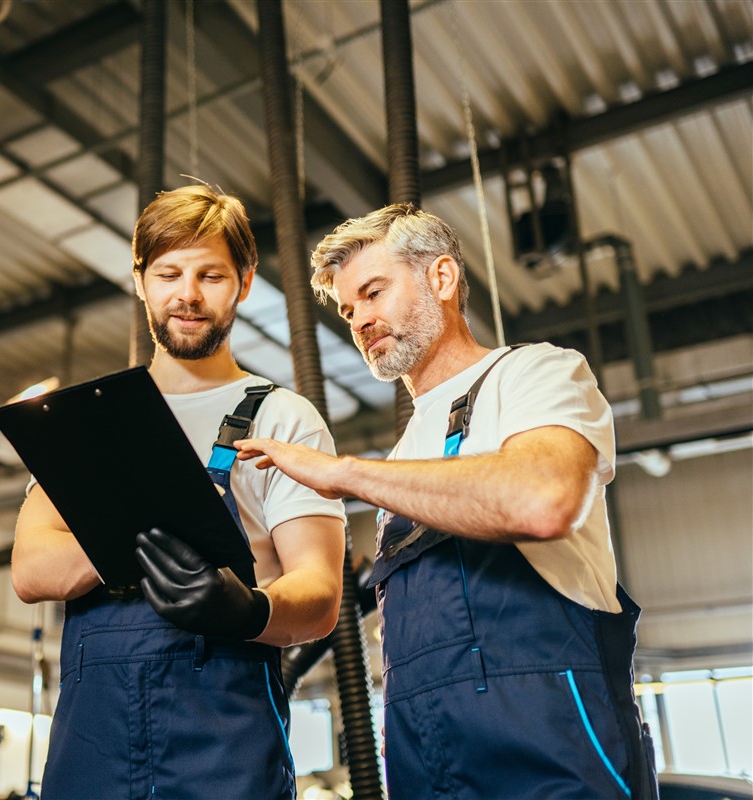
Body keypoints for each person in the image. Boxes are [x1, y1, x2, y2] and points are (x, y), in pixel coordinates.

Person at [236, 203, 659, 800]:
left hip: (548, 737)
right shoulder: (407, 450)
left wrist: (347, 474)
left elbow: (543, 500)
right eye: (349, 308)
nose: (359, 319)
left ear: (441, 278)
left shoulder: (533, 374)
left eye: (374, 292)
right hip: (423, 748)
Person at [11, 184, 347, 800]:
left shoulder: (283, 419)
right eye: (167, 273)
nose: (187, 295)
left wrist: (246, 610)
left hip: (224, 748)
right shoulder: (87, 421)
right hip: (91, 751)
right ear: (140, 281)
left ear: (244, 282)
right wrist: (135, 527)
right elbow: (32, 571)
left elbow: (320, 595)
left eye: (210, 275)